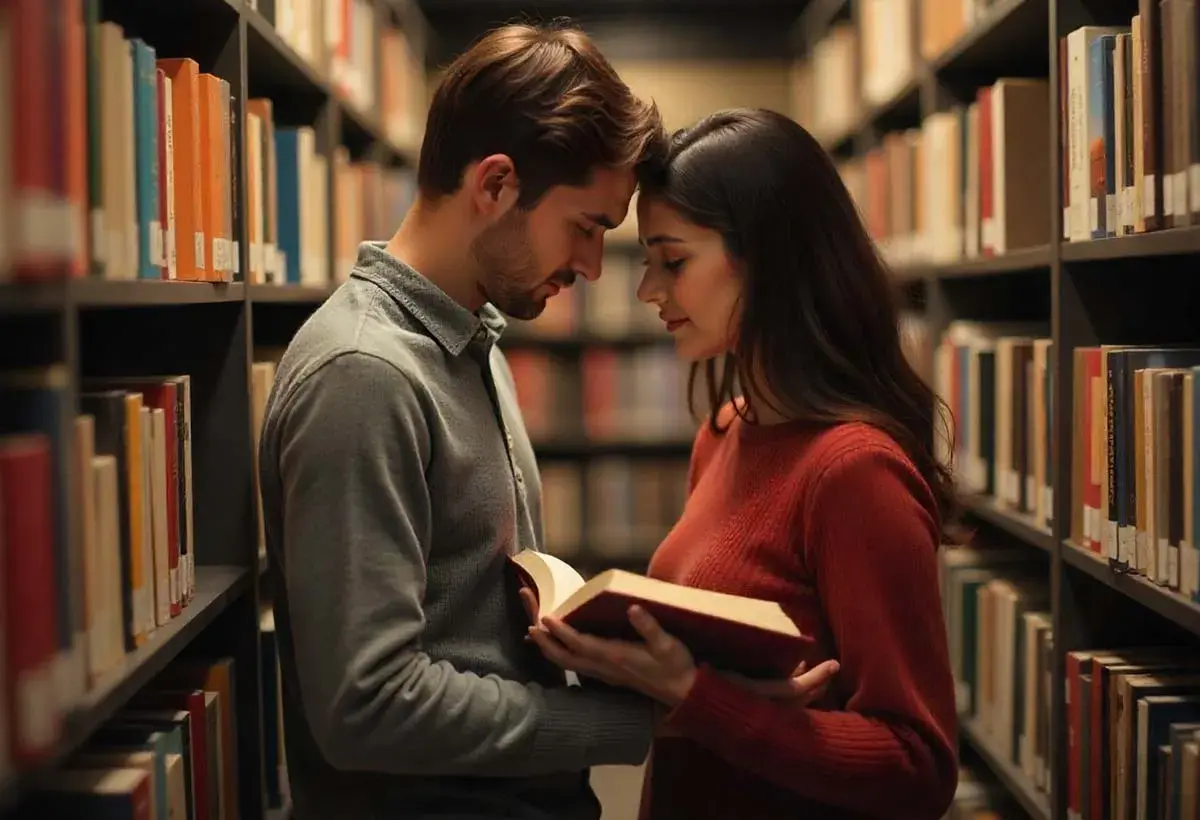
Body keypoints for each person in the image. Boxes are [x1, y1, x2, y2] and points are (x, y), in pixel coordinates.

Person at [256, 22, 669, 820]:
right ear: (496, 185)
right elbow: (367, 704)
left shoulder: (471, 341)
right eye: (586, 227)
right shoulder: (364, 374)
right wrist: (625, 723)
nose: (592, 267)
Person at [526, 108, 962, 820]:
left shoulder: (855, 473)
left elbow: (919, 766)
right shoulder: (725, 432)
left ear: (769, 260)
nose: (647, 291)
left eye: (673, 261)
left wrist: (695, 697)